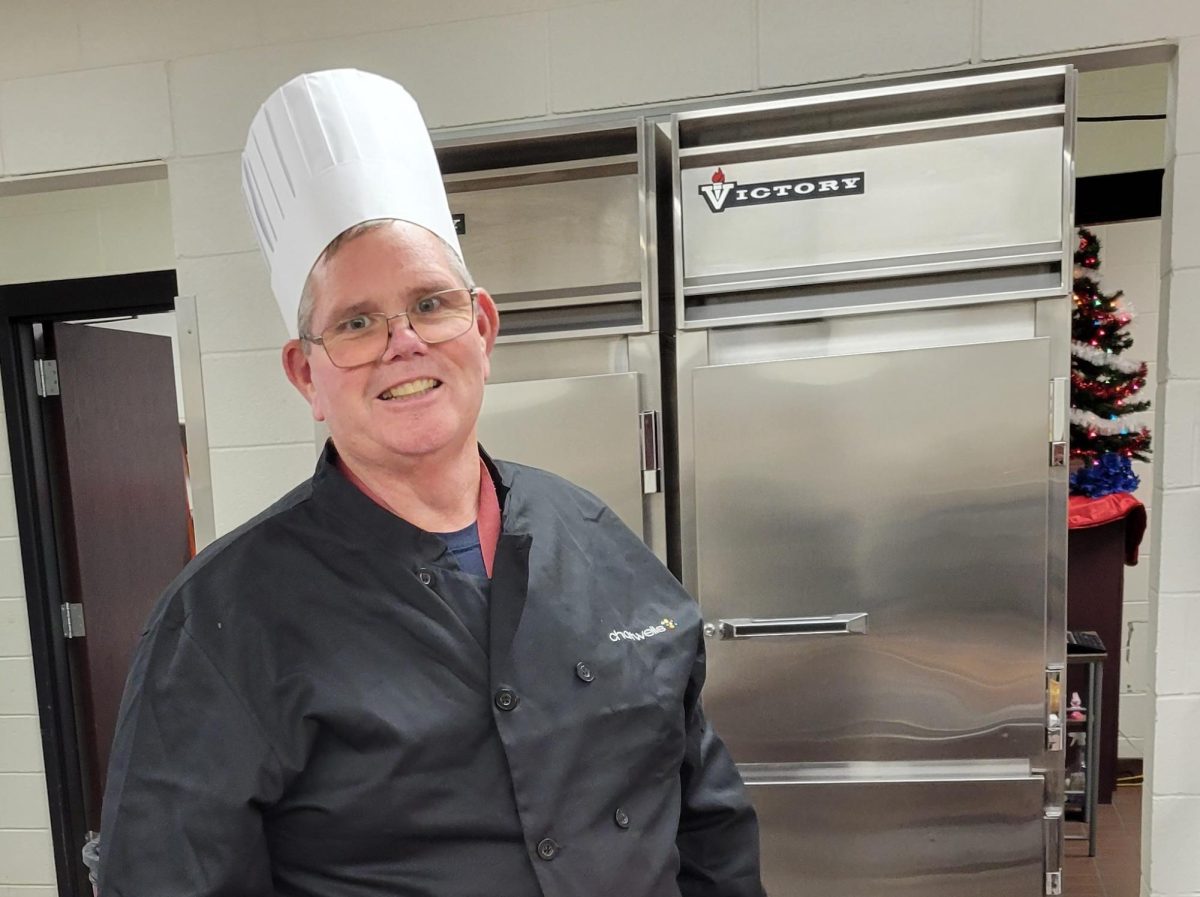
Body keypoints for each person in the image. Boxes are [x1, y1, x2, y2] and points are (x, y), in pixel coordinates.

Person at [94, 69, 764, 897]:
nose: (401, 342)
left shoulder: (593, 537)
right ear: (306, 371)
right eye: (356, 322)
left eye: (430, 303)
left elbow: (708, 819)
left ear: (481, 327)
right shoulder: (218, 624)